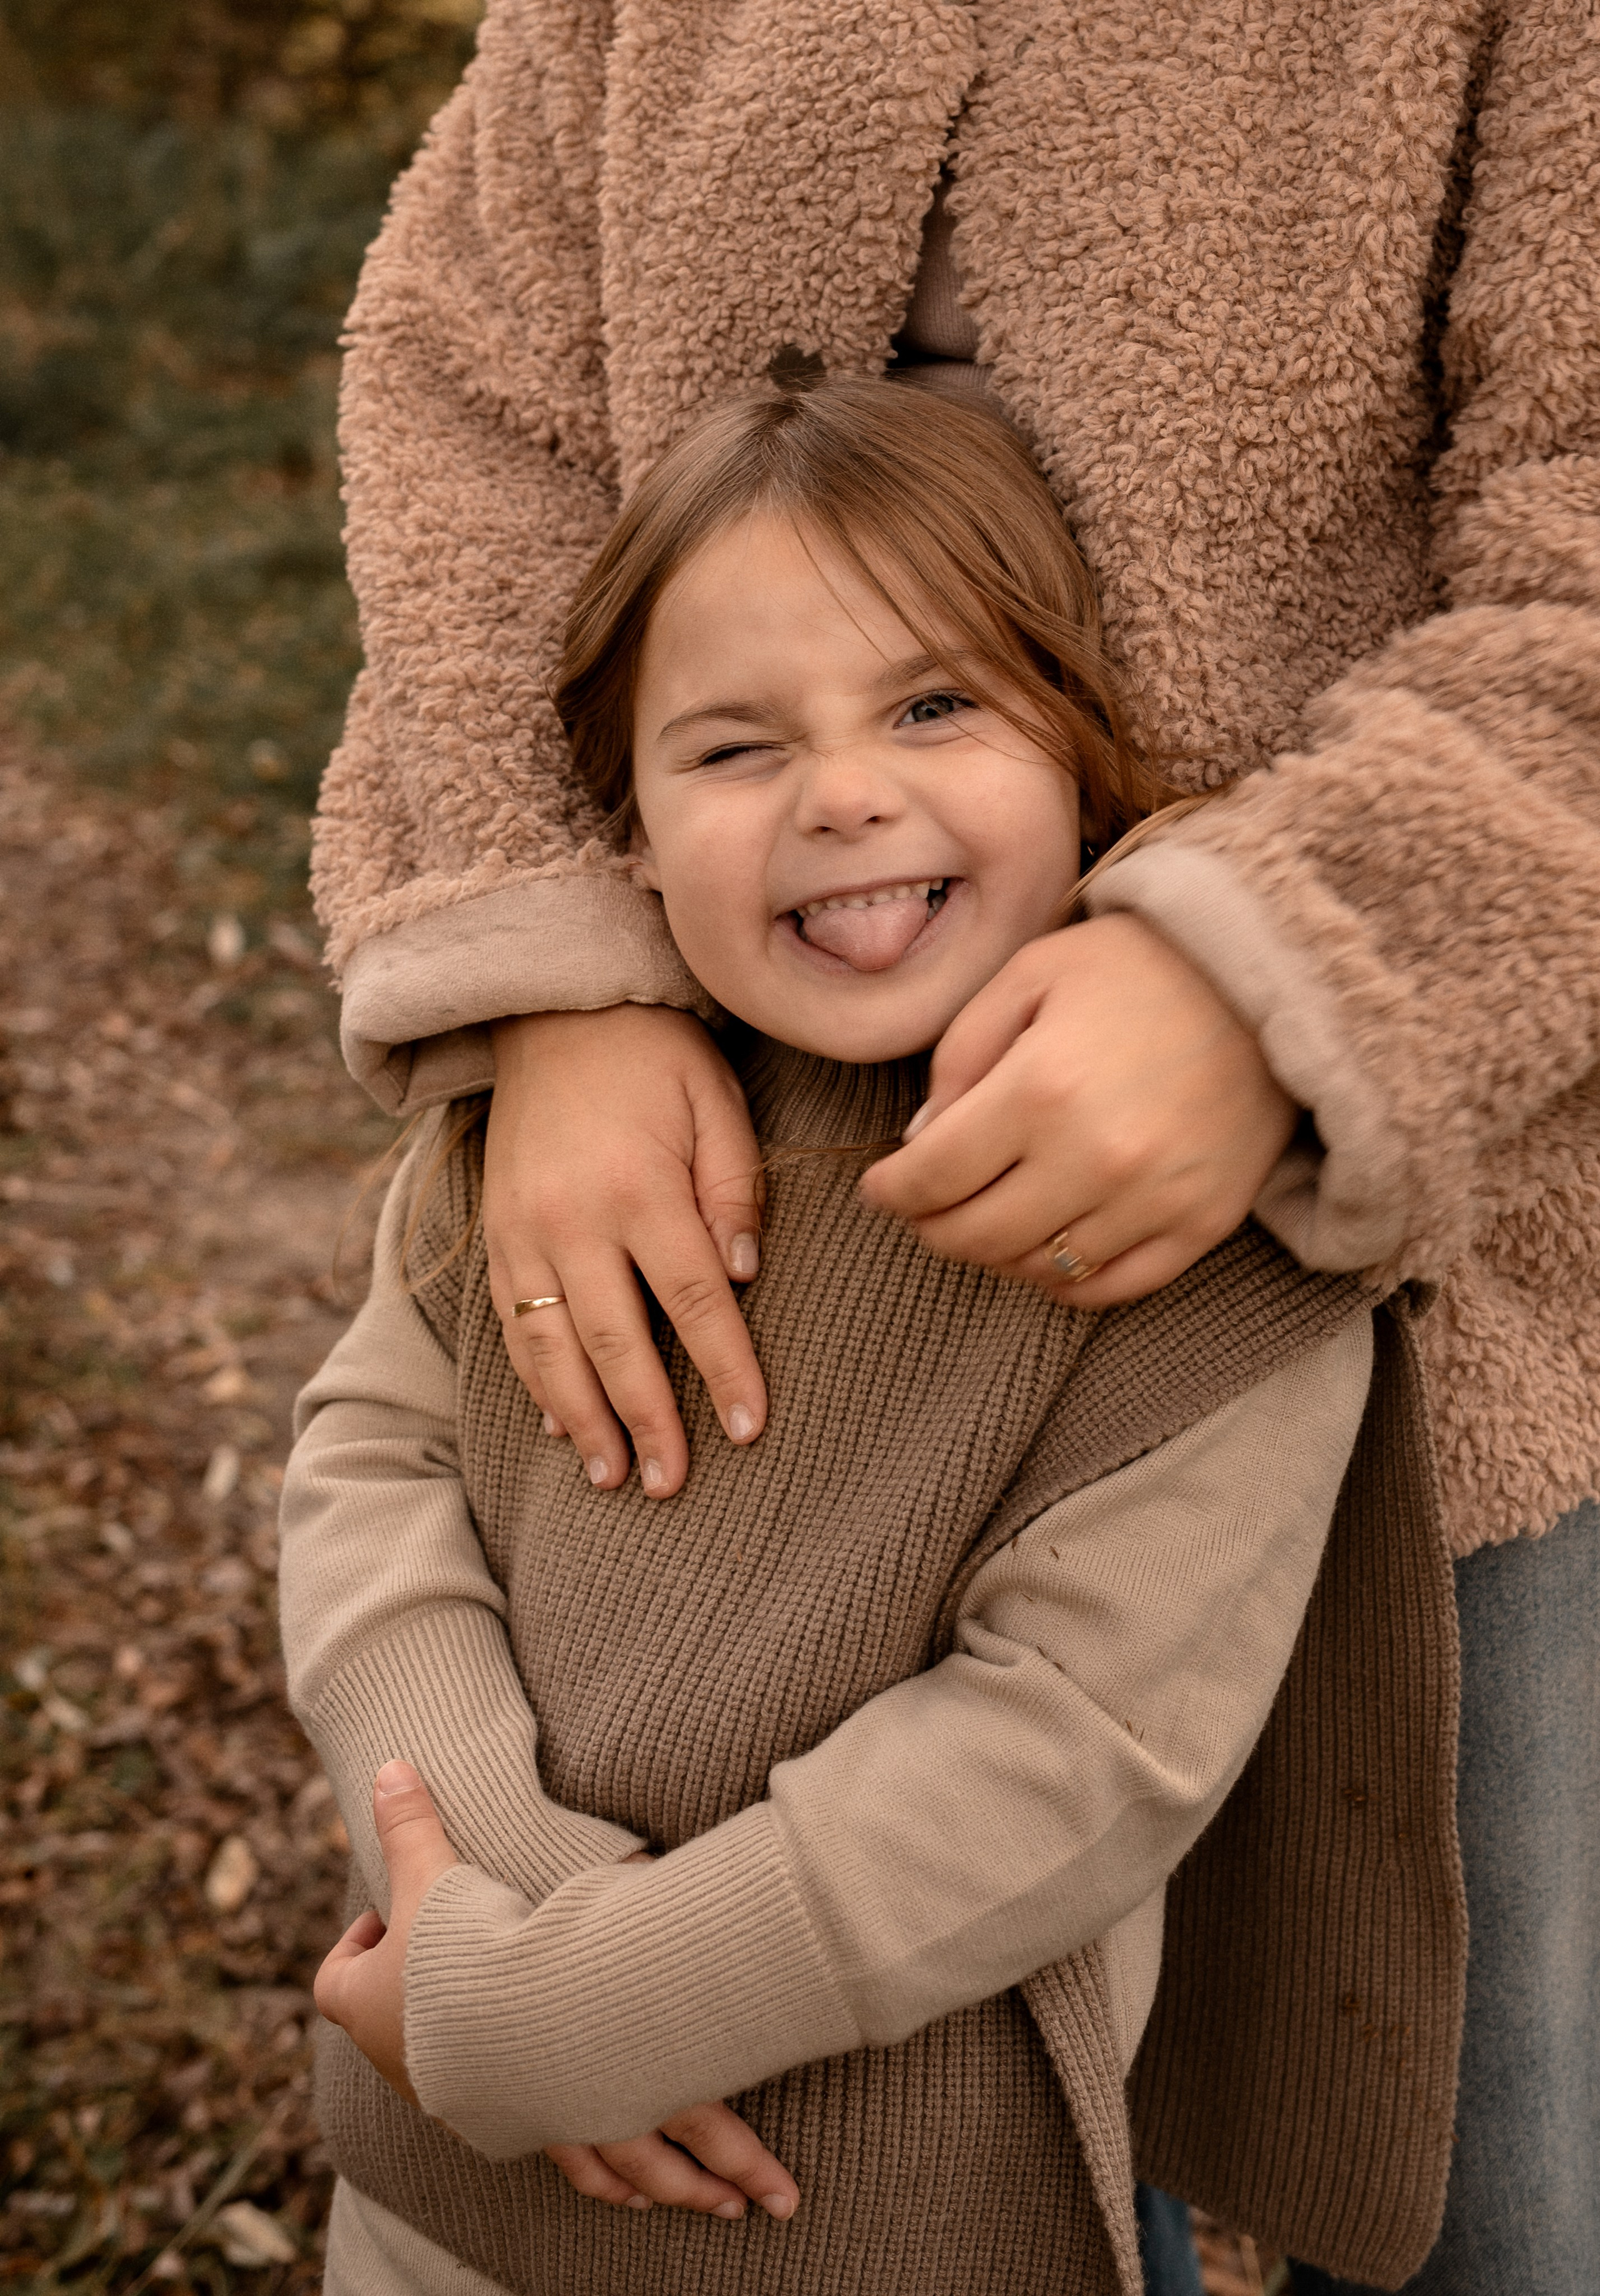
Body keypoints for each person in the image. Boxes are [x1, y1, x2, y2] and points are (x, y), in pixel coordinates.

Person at [311, 9, 1600, 2289]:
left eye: (926, 713)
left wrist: (1278, 967)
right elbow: (470, 402)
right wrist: (561, 970)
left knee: (1474, 2168)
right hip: (707, 1110)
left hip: (1438, 1254)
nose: (847, 781)